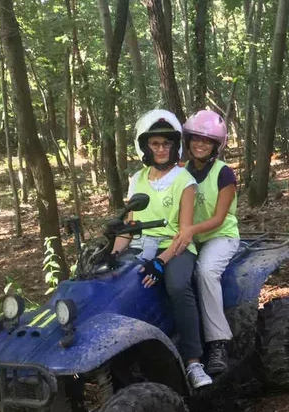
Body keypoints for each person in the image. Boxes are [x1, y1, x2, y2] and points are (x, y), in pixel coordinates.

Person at [111, 109, 212, 389]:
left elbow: (185, 231)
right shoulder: (137, 179)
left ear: (174, 145)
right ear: (145, 147)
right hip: (142, 247)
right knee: (114, 286)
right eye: (155, 143)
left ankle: (193, 361)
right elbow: (128, 227)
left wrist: (161, 261)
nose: (161, 149)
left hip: (176, 247)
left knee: (178, 285)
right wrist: (114, 255)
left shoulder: (184, 180)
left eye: (166, 143)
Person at [180, 110, 240, 375]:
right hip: (189, 236)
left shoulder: (224, 173)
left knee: (205, 272)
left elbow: (218, 218)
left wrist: (189, 231)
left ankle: (218, 343)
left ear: (216, 145)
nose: (200, 144)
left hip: (220, 236)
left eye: (206, 140)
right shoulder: (181, 172)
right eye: (196, 139)